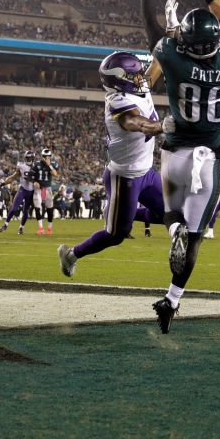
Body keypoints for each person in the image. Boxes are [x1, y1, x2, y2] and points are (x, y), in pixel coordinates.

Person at [140, 0, 220, 333]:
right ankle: (172, 299)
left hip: (175, 151)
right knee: (197, 234)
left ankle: (171, 232)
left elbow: (154, 34)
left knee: (171, 215)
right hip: (210, 158)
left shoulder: (174, 56)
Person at [57, 51, 166, 279]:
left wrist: (171, 34)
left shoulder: (134, 87)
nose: (140, 78)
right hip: (124, 177)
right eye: (134, 74)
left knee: (171, 213)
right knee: (116, 235)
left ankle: (128, 212)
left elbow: (159, 62)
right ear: (121, 79)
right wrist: (164, 126)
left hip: (146, 172)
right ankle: (71, 254)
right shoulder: (118, 101)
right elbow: (137, 122)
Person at [0, 150, 39, 235]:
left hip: (31, 192)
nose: (27, 159)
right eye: (27, 158)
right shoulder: (21, 166)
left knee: (26, 211)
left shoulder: (37, 167)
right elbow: (14, 177)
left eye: (29, 158)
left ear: (32, 158)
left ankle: (21, 228)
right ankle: (5, 225)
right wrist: (3, 183)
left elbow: (40, 180)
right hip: (22, 189)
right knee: (14, 207)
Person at [33, 148, 57, 236]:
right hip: (38, 189)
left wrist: (49, 165)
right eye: (44, 156)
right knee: (37, 207)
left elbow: (55, 174)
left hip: (47, 189)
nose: (46, 158)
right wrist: (34, 181)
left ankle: (50, 228)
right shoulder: (36, 164)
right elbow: (32, 176)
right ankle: (41, 228)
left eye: (48, 156)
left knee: (50, 208)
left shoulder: (53, 164)